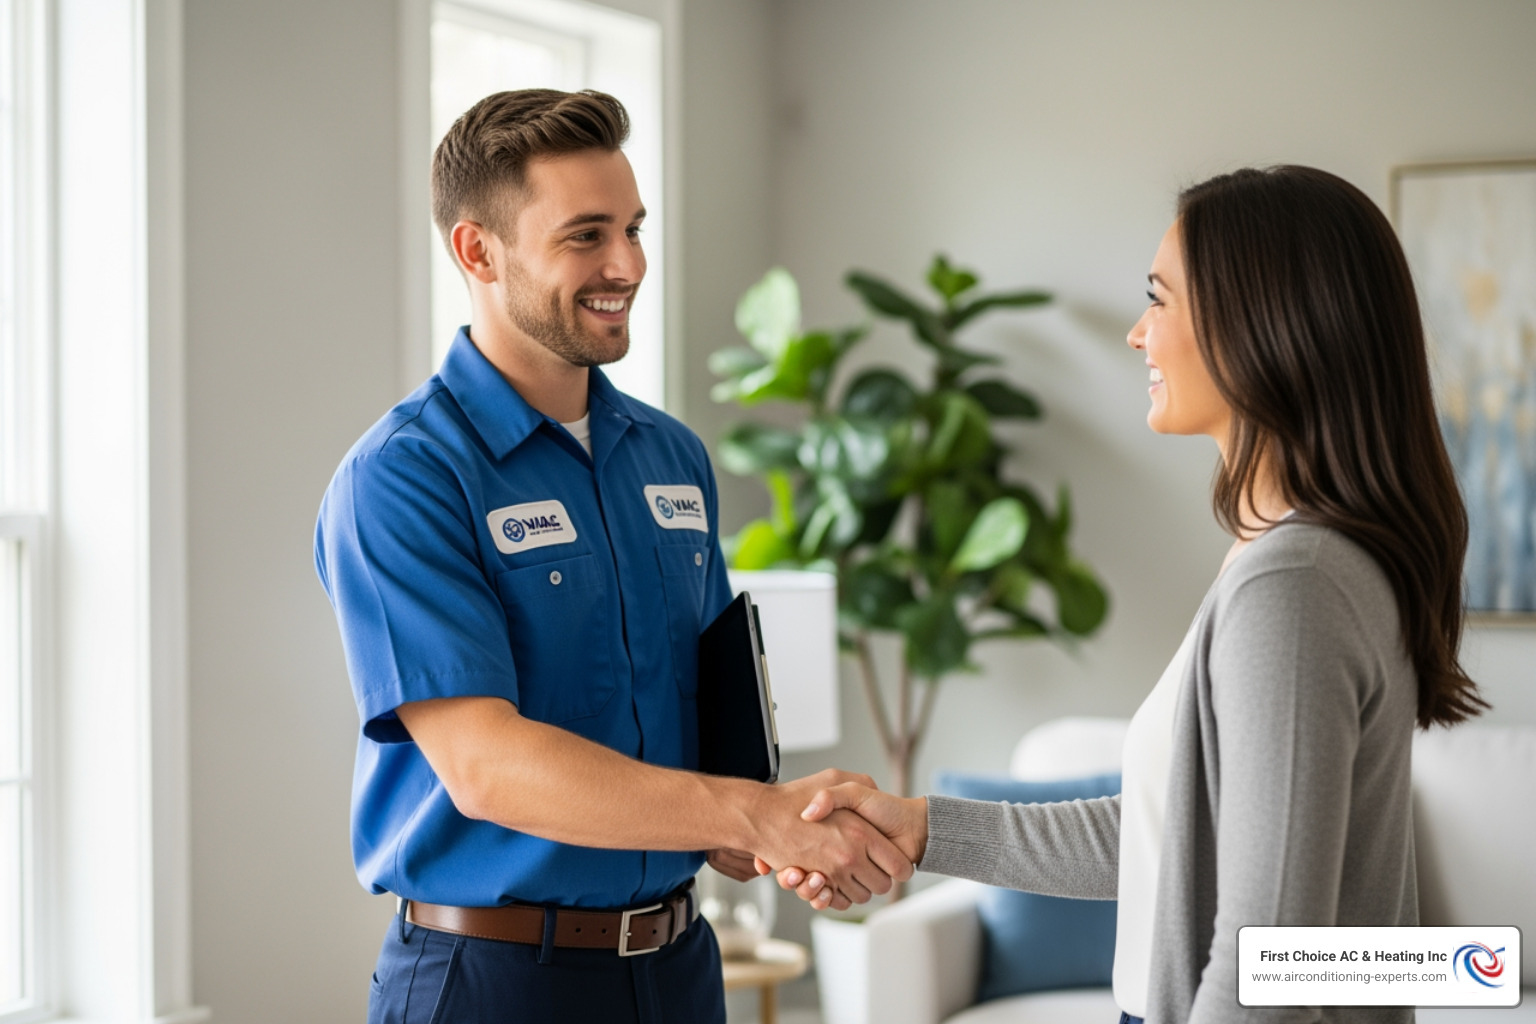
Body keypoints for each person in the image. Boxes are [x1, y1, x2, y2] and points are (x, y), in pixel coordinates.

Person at [767, 165, 1487, 1024]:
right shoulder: (1295, 563)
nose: (1138, 333)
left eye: (1160, 300)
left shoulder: (1294, 586)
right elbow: (1167, 838)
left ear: (1259, 323)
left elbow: (1272, 964)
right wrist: (922, 827)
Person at [314, 88, 912, 1024]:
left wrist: (772, 827)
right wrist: (747, 813)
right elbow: (486, 764)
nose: (627, 264)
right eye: (585, 235)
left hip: (679, 972)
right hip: (494, 984)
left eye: (633, 228)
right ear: (478, 251)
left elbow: (705, 728)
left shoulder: (673, 458)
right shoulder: (405, 476)